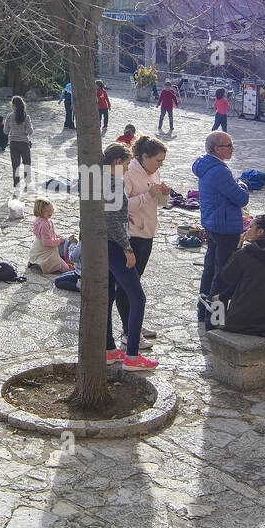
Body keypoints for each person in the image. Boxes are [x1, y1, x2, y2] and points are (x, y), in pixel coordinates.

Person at [103, 142, 156, 370]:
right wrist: (127, 247)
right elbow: (112, 220)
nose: (126, 170)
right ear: (116, 162)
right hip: (115, 245)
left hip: (100, 245)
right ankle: (132, 356)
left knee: (108, 297)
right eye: (125, 165)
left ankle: (109, 349)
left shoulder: (94, 179)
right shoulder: (113, 182)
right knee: (137, 298)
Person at [193, 130, 250, 325]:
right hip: (225, 227)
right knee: (223, 273)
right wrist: (242, 184)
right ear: (217, 149)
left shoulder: (206, 165)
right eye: (229, 145)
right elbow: (241, 198)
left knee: (210, 269)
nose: (232, 149)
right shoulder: (219, 171)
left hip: (213, 223)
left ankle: (203, 311)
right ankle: (215, 319)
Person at [117, 134, 168, 350]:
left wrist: (164, 194)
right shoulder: (129, 173)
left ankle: (135, 324)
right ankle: (129, 332)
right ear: (144, 156)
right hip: (132, 235)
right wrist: (148, 195)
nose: (160, 165)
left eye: (162, 161)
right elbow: (122, 205)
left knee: (136, 282)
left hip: (148, 232)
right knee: (128, 286)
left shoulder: (154, 172)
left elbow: (161, 204)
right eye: (157, 160)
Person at [30, 199, 76, 273]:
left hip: (39, 247)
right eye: (46, 211)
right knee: (66, 268)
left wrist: (57, 237)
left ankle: (39, 262)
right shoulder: (44, 224)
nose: (50, 212)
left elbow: (50, 234)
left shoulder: (44, 220)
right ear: (39, 211)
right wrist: (59, 241)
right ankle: (43, 264)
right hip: (46, 250)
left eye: (51, 209)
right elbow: (46, 242)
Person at [6, 96, 33, 191]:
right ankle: (27, 184)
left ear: (13, 105)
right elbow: (30, 131)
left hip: (13, 143)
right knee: (27, 164)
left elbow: (5, 131)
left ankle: (16, 186)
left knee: (15, 166)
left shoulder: (9, 116)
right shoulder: (26, 116)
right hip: (24, 143)